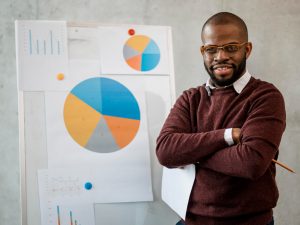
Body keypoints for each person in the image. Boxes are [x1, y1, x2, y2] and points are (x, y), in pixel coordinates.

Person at [156, 12, 286, 225]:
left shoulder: (266, 96)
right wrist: (227, 136)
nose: (220, 56)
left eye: (231, 48)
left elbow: (251, 163)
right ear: (202, 52)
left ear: (247, 49)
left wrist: (191, 153)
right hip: (191, 220)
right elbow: (165, 151)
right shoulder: (190, 98)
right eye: (211, 49)